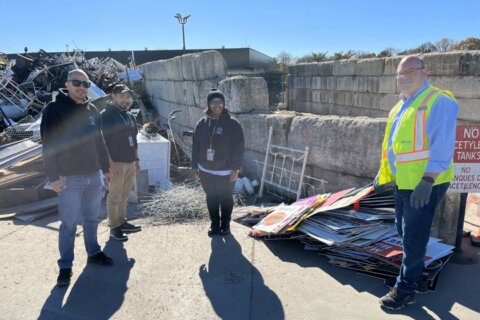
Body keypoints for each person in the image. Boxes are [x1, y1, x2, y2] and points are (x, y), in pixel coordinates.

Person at [375, 55, 459, 310]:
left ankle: (406, 288)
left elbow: (443, 144)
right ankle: (415, 274)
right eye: (400, 73)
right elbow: (394, 147)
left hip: (425, 182)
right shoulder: (400, 106)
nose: (403, 77)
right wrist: (384, 174)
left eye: (410, 71)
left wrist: (427, 179)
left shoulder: (438, 100)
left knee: (413, 235)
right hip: (405, 181)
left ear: (425, 72)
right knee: (404, 231)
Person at [40, 69, 114, 287]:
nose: (82, 87)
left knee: (92, 219)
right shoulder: (54, 110)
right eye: (77, 82)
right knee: (69, 224)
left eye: (86, 83)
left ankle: (93, 252)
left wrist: (106, 168)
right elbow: (48, 145)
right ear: (67, 84)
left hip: (94, 176)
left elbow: (99, 142)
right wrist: (52, 176)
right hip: (69, 179)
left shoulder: (92, 109)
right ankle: (65, 266)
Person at [192, 89, 245, 236]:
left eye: (220, 102)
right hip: (205, 169)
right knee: (211, 197)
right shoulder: (202, 123)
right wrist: (194, 166)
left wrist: (236, 169)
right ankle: (214, 224)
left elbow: (239, 148)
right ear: (208, 104)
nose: (217, 105)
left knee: (226, 197)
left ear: (224, 104)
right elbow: (196, 146)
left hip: (225, 170)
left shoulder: (233, 124)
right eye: (214, 102)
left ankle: (225, 225)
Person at [100, 84, 142, 241]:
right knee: (115, 196)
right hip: (116, 162)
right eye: (121, 96)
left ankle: (121, 221)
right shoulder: (107, 115)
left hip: (130, 161)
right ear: (114, 96)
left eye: (127, 97)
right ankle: (114, 227)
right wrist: (109, 165)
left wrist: (137, 160)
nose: (125, 100)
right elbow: (103, 142)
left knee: (124, 195)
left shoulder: (129, 115)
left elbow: (135, 140)